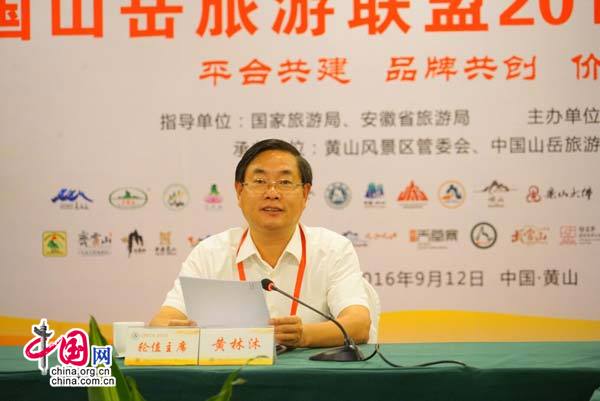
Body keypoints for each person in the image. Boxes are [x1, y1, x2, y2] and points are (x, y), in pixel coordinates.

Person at [150, 139, 372, 348]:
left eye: (285, 182)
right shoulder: (209, 254)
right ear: (239, 191)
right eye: (259, 182)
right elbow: (161, 322)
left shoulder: (333, 250)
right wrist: (183, 332)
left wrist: (304, 335)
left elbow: (359, 324)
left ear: (305, 194)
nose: (272, 193)